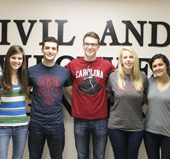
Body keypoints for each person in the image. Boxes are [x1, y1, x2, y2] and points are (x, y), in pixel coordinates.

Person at [66, 31, 116, 159]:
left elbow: (118, 80)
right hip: (80, 119)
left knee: (99, 156)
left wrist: (106, 96)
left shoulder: (106, 65)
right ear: (83, 46)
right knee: (82, 155)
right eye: (87, 44)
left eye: (93, 44)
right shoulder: (73, 64)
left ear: (98, 47)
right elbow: (62, 81)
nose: (90, 47)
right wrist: (76, 94)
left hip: (101, 119)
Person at [28, 36, 72, 159]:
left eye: (53, 48)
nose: (50, 51)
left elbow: (72, 94)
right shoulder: (31, 71)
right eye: (47, 48)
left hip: (56, 123)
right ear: (42, 50)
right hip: (36, 122)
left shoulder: (64, 72)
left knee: (57, 157)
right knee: (34, 156)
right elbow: (25, 93)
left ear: (57, 51)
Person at [106, 47, 148, 159]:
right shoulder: (113, 77)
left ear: (135, 59)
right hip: (116, 126)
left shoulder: (142, 77)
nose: (128, 60)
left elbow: (146, 99)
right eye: (125, 57)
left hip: (136, 127)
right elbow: (106, 97)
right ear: (121, 60)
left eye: (131, 57)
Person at [0, 45, 30, 159]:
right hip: (3, 126)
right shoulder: (1, 77)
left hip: (21, 126)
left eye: (19, 58)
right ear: (8, 58)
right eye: (13, 58)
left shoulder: (24, 78)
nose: (17, 61)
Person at [144, 54, 170, 159]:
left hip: (168, 133)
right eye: (154, 66)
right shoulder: (149, 82)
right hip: (150, 131)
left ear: (167, 65)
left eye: (160, 65)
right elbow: (144, 98)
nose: (157, 68)